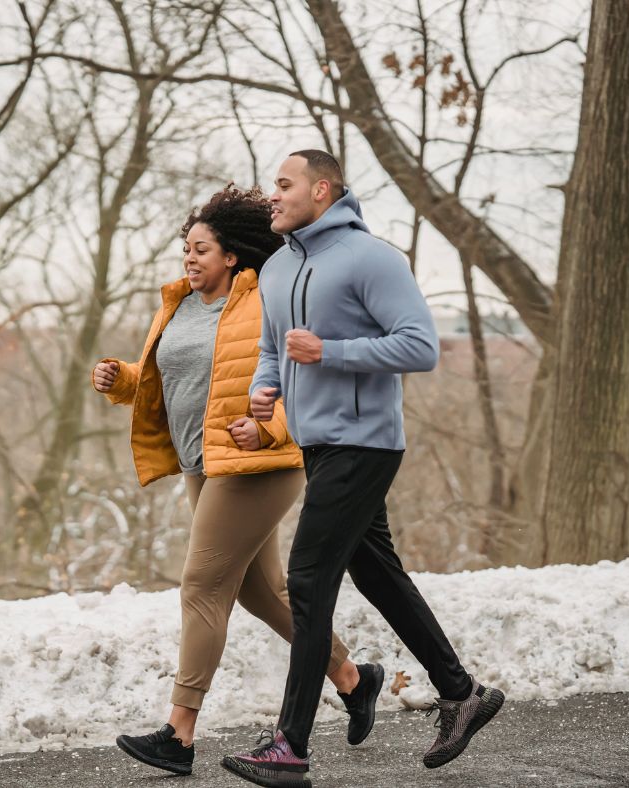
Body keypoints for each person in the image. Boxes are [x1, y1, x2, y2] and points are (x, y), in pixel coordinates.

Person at [221, 152, 504, 788]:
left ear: (322, 191)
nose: (274, 195)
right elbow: (274, 347)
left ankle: (290, 746)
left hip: (366, 441)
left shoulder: (371, 257)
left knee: (309, 577)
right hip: (316, 442)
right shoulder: (279, 266)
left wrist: (330, 352)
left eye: (285, 185)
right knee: (376, 572)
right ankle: (462, 693)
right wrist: (266, 391)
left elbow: (420, 345)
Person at [92, 185, 377, 778]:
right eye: (186, 250)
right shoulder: (177, 306)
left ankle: (179, 732)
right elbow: (169, 376)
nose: (190, 259)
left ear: (231, 255)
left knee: (201, 586)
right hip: (206, 464)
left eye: (201, 249)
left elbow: (297, 380)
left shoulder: (262, 304)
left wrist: (269, 431)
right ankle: (352, 678)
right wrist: (121, 378)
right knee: (260, 593)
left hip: (260, 465)